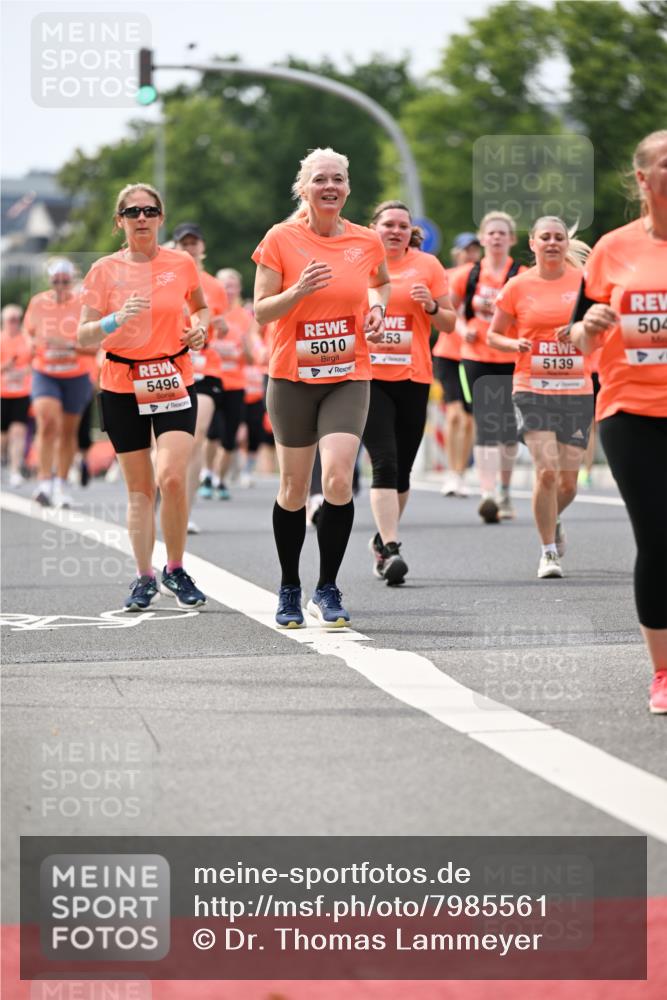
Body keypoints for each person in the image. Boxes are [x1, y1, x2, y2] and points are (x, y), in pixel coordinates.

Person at [252, 146, 390, 628]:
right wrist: (298, 291)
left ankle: (327, 587)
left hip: (348, 373)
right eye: (320, 179)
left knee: (337, 480)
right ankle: (290, 586)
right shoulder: (280, 238)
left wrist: (378, 309)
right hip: (292, 376)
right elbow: (261, 310)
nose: (329, 186)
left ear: (347, 188)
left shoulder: (366, 241)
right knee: (293, 488)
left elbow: (380, 283)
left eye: (337, 179)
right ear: (304, 188)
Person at [568, 130, 667, 714]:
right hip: (631, 410)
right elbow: (578, 335)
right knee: (658, 538)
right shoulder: (613, 249)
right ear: (643, 178)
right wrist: (590, 326)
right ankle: (663, 672)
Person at [78, 182, 209, 611]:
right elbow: (83, 335)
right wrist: (114, 319)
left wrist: (200, 329)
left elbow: (201, 308)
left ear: (160, 218)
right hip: (122, 384)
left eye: (149, 211)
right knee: (139, 490)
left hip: (172, 377)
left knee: (171, 477)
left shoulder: (181, 263)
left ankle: (176, 567)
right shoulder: (103, 270)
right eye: (132, 212)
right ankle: (144, 576)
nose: (141, 218)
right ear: (119, 221)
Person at [488, 216, 592, 579]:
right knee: (546, 472)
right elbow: (493, 334)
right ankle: (548, 552)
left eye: (558, 237)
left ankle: (553, 517)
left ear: (566, 243)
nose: (552, 242)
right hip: (532, 387)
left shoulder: (585, 282)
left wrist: (579, 331)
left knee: (568, 484)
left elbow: (601, 332)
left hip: (576, 388)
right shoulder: (517, 286)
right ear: (532, 243)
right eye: (544, 237)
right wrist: (513, 343)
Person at [364, 200, 456, 583]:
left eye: (403, 225)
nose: (396, 231)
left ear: (411, 232)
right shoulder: (360, 264)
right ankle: (391, 548)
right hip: (369, 377)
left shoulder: (428, 265)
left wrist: (431, 306)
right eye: (388, 224)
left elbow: (449, 323)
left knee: (402, 471)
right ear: (375, 228)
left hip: (414, 377)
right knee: (384, 461)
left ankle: (381, 538)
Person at [448, 212, 525, 522]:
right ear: (482, 238)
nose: (496, 237)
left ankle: (505, 491)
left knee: (507, 428)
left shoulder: (521, 275)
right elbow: (448, 309)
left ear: (512, 239)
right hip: (475, 357)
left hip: (512, 357)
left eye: (502, 233)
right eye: (491, 232)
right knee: (485, 423)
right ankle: (487, 493)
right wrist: (461, 328)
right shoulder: (468, 275)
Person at [171, 222, 229, 534]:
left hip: (204, 367)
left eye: (194, 243)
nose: (190, 248)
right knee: (163, 445)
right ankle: (161, 494)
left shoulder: (214, 286)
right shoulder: (166, 278)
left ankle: (184, 511)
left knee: (197, 435)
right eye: (184, 243)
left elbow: (221, 324)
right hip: (167, 366)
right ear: (175, 247)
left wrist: (220, 325)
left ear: (202, 247)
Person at [23, 259, 94, 507]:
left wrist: (69, 345)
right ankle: (44, 483)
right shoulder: (38, 302)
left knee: (68, 431)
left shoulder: (84, 305)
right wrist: (32, 345)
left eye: (65, 281)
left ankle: (61, 484)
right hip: (45, 372)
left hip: (76, 374)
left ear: (72, 281)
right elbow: (28, 332)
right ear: (50, 281)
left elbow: (96, 345)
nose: (61, 285)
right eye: (56, 281)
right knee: (47, 422)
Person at [200, 268, 256, 500]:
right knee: (212, 433)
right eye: (224, 285)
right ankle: (206, 473)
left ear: (239, 289)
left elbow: (251, 359)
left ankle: (220, 479)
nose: (228, 290)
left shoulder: (245, 317)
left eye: (233, 286)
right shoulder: (208, 311)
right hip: (212, 379)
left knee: (229, 437)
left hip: (236, 384)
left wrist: (243, 344)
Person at [433, 233, 481, 497]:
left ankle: (461, 472)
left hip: (474, 354)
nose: (470, 255)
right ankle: (452, 473)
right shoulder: (446, 277)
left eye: (475, 250)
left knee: (469, 418)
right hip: (449, 352)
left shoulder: (485, 280)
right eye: (466, 250)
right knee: (454, 415)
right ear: (457, 253)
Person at [1, 304, 31, 487]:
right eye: (10, 320)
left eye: (16, 320)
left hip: (21, 392)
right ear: (4, 321)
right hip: (2, 393)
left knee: (18, 432)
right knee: (3, 436)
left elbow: (35, 362)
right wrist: (6, 367)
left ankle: (15, 470)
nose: (13, 323)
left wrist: (25, 370)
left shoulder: (26, 340)